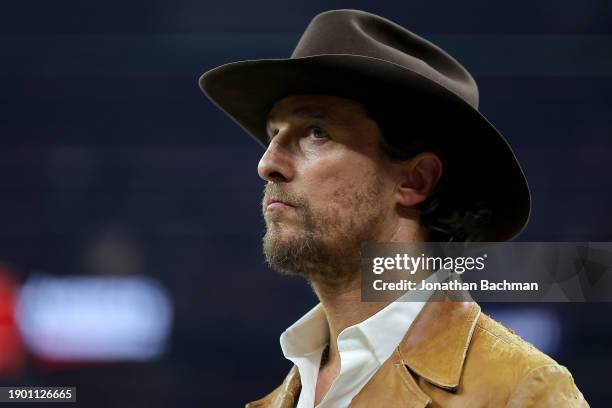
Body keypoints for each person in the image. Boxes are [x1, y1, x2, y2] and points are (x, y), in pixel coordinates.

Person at [199, 9, 588, 408]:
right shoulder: (282, 397)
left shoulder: (521, 391)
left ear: (415, 181)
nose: (267, 163)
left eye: (317, 132)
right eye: (273, 135)